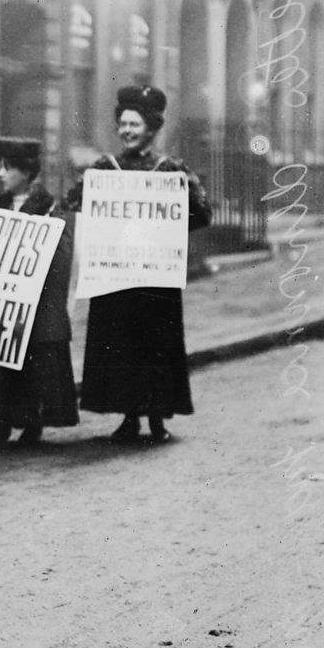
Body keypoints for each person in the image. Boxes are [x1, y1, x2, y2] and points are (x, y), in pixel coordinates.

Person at [64, 85, 212, 443]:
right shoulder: (104, 168)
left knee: (155, 345)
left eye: (135, 124)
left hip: (154, 277)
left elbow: (202, 214)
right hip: (116, 275)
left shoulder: (170, 170)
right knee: (122, 345)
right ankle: (129, 416)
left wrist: (172, 216)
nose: (127, 130)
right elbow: (74, 201)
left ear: (151, 128)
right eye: (123, 124)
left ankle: (158, 417)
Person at [0, 137, 78, 445]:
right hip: (3, 298)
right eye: (0, 166)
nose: (0, 174)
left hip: (34, 303)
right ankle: (1, 420)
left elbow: (60, 256)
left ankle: (31, 420)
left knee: (31, 362)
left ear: (25, 173)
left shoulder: (49, 209)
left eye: (7, 168)